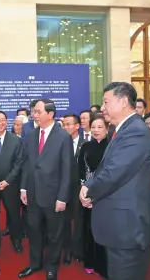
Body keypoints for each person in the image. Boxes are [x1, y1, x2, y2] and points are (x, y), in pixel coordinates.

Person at [79, 82, 150, 280]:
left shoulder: (136, 131)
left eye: (106, 102)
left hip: (127, 229)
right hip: (118, 227)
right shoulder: (122, 130)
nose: (102, 107)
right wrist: (87, 185)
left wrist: (89, 192)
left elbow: (114, 173)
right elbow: (105, 167)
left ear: (123, 102)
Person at [18, 99, 72, 280]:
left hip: (53, 195)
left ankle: (52, 267)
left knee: (54, 234)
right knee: (34, 231)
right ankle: (35, 263)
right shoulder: (31, 135)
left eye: (38, 112)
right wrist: (24, 188)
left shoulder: (63, 137)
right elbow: (27, 164)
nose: (35, 115)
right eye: (34, 111)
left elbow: (67, 170)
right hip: (32, 194)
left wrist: (62, 197)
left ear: (50, 114)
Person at [78, 114, 108, 277]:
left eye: (100, 127)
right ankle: (89, 260)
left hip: (106, 196)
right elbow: (81, 170)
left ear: (107, 128)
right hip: (87, 195)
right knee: (89, 229)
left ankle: (104, 265)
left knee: (104, 230)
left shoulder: (112, 146)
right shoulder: (86, 146)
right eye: (94, 127)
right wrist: (83, 188)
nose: (96, 130)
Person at [0, 110, 24, 255]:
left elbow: (19, 163)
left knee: (14, 215)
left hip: (11, 185)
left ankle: (16, 240)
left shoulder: (16, 140)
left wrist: (7, 181)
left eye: (2, 120)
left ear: (6, 121)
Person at [61, 113, 86, 265]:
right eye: (64, 124)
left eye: (69, 124)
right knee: (63, 221)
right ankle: (67, 250)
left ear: (77, 126)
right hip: (63, 189)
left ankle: (78, 249)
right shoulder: (59, 143)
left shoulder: (85, 144)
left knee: (78, 220)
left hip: (79, 189)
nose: (66, 127)